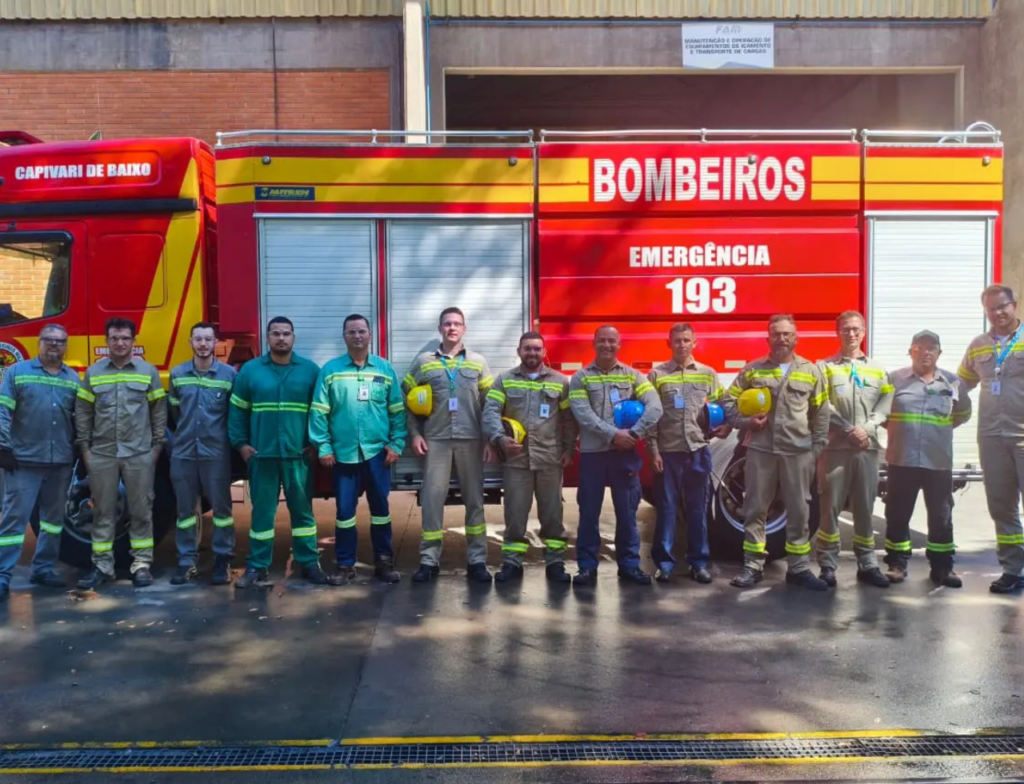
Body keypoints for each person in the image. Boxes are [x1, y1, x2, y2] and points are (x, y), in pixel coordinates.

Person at [728, 314, 830, 591]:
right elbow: (727, 400)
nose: (781, 339)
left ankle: (798, 568)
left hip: (798, 453)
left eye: (787, 334)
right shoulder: (753, 371)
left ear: (795, 338)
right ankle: (753, 565)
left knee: (798, 511)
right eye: (776, 334)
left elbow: (820, 412)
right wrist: (745, 422)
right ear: (768, 338)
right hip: (761, 450)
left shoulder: (811, 371)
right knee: (755, 509)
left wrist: (816, 448)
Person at [228, 316, 326, 588]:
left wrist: (317, 444)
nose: (281, 338)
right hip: (263, 456)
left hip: (298, 456)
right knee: (262, 514)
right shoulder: (250, 371)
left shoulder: (310, 371)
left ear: (294, 338)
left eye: (286, 333)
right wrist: (241, 445)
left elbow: (321, 411)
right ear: (267, 338)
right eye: (275, 334)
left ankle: (309, 563)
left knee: (303, 513)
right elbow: (237, 410)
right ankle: (257, 567)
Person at [309, 314, 407, 585]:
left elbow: (397, 411)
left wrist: (397, 444)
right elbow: (318, 412)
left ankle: (384, 563)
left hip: (377, 455)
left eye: (362, 331)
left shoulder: (385, 370)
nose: (357, 336)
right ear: (344, 336)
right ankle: (345, 565)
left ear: (370, 335)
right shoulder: (331, 370)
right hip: (343, 455)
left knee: (381, 511)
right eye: (351, 332)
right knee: (344, 514)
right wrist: (324, 447)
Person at [402, 307, 496, 584]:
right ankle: (428, 561)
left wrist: (491, 438)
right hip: (436, 441)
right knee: (432, 502)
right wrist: (414, 434)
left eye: (457, 324)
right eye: (447, 324)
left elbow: (491, 404)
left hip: (471, 440)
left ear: (464, 329)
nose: (452, 328)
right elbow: (405, 399)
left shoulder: (478, 362)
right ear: (440, 329)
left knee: (475, 502)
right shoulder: (423, 362)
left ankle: (477, 561)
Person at [75, 317, 167, 589]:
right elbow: (83, 412)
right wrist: (86, 450)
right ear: (106, 342)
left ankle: (141, 565)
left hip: (139, 453)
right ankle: (102, 566)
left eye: (125, 338)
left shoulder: (147, 372)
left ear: (134, 342)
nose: (120, 343)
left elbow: (159, 412)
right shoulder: (93, 373)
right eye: (114, 338)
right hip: (102, 453)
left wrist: (156, 448)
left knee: (141, 511)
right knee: (103, 512)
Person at [568, 325, 663, 586]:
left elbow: (655, 407)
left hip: (625, 455)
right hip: (593, 455)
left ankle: (629, 566)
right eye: (602, 341)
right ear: (593, 343)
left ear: (619, 344)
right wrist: (614, 435)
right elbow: (582, 415)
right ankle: (587, 567)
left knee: (627, 513)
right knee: (588, 513)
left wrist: (633, 433)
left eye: (612, 341)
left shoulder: (634, 377)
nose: (607, 345)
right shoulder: (580, 378)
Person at [481, 331, 577, 584]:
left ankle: (555, 564)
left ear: (544, 352)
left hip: (550, 460)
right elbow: (490, 411)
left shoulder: (560, 382)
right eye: (527, 349)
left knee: (553, 517)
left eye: (536, 349)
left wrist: (569, 449)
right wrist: (499, 439)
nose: (532, 353)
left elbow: (568, 420)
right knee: (514, 516)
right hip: (516, 461)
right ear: (519, 351)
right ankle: (512, 564)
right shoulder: (505, 380)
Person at [885, 330, 971, 587]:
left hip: (937, 461)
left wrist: (937, 433)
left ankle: (942, 567)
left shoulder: (953, 383)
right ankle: (897, 563)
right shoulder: (894, 380)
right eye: (919, 347)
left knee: (941, 516)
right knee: (898, 513)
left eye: (931, 348)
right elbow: (881, 414)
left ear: (939, 353)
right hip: (902, 459)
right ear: (911, 351)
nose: (926, 352)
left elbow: (962, 414)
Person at [0, 324, 80, 600]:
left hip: (59, 462)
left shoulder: (73, 378)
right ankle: (2, 575)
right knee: (13, 521)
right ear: (39, 343)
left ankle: (43, 569)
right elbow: (2, 411)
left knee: (53, 521)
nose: (54, 346)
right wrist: (3, 447)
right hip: (23, 461)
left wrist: (79, 446)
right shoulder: (17, 373)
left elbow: (78, 419)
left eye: (60, 341)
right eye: (49, 341)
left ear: (66, 346)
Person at [814, 311, 893, 588]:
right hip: (835, 448)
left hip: (867, 448)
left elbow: (886, 402)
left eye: (856, 329)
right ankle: (827, 565)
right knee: (829, 508)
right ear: (837, 332)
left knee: (864, 507)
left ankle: (868, 563)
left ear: (863, 332)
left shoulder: (878, 369)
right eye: (846, 329)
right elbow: (822, 403)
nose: (851, 333)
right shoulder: (824, 367)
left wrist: (868, 428)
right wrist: (849, 429)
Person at [647, 323, 729, 584]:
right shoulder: (656, 375)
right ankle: (665, 564)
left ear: (695, 342)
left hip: (698, 450)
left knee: (698, 510)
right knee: (668, 509)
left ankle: (699, 562)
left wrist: (727, 425)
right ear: (668, 343)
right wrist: (653, 451)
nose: (682, 344)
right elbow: (650, 417)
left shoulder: (707, 374)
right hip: (668, 453)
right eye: (677, 340)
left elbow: (724, 403)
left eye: (687, 340)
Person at [958, 284, 1024, 593]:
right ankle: (1013, 569)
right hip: (992, 438)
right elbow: (962, 384)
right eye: (990, 309)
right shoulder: (979, 345)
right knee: (1001, 507)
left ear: (1014, 305)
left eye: (1002, 307)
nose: (997, 314)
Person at [167, 322, 237, 586]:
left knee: (222, 510)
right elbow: (175, 413)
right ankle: (186, 561)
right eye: (198, 339)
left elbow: (234, 416)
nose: (203, 344)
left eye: (208, 339)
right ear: (191, 342)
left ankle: (223, 561)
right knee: (185, 512)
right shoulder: (177, 374)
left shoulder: (229, 375)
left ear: (215, 342)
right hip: (184, 452)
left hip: (216, 454)